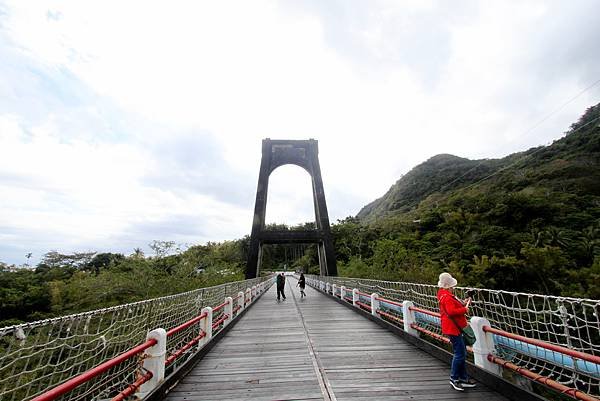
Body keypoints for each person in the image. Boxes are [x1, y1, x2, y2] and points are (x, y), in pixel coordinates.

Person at [437, 272, 477, 391]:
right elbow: (451, 311)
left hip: (451, 327)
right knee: (460, 354)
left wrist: (462, 303)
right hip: (454, 328)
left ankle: (463, 378)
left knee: (461, 352)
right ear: (449, 285)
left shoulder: (443, 294)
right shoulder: (448, 297)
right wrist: (464, 309)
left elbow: (452, 307)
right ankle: (454, 378)